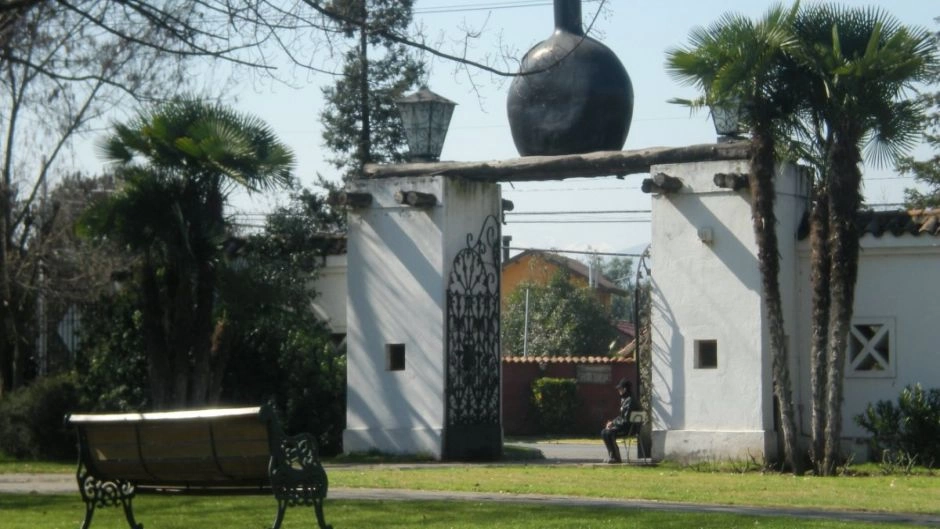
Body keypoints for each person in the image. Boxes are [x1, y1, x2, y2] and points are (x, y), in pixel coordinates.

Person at [601, 378, 633, 463]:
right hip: (626, 426)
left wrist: (613, 423)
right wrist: (612, 422)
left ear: (625, 389)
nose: (618, 390)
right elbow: (622, 417)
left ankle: (616, 458)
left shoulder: (630, 401)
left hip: (629, 429)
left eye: (620, 388)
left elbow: (625, 419)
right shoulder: (626, 400)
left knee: (608, 433)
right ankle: (612, 456)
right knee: (604, 432)